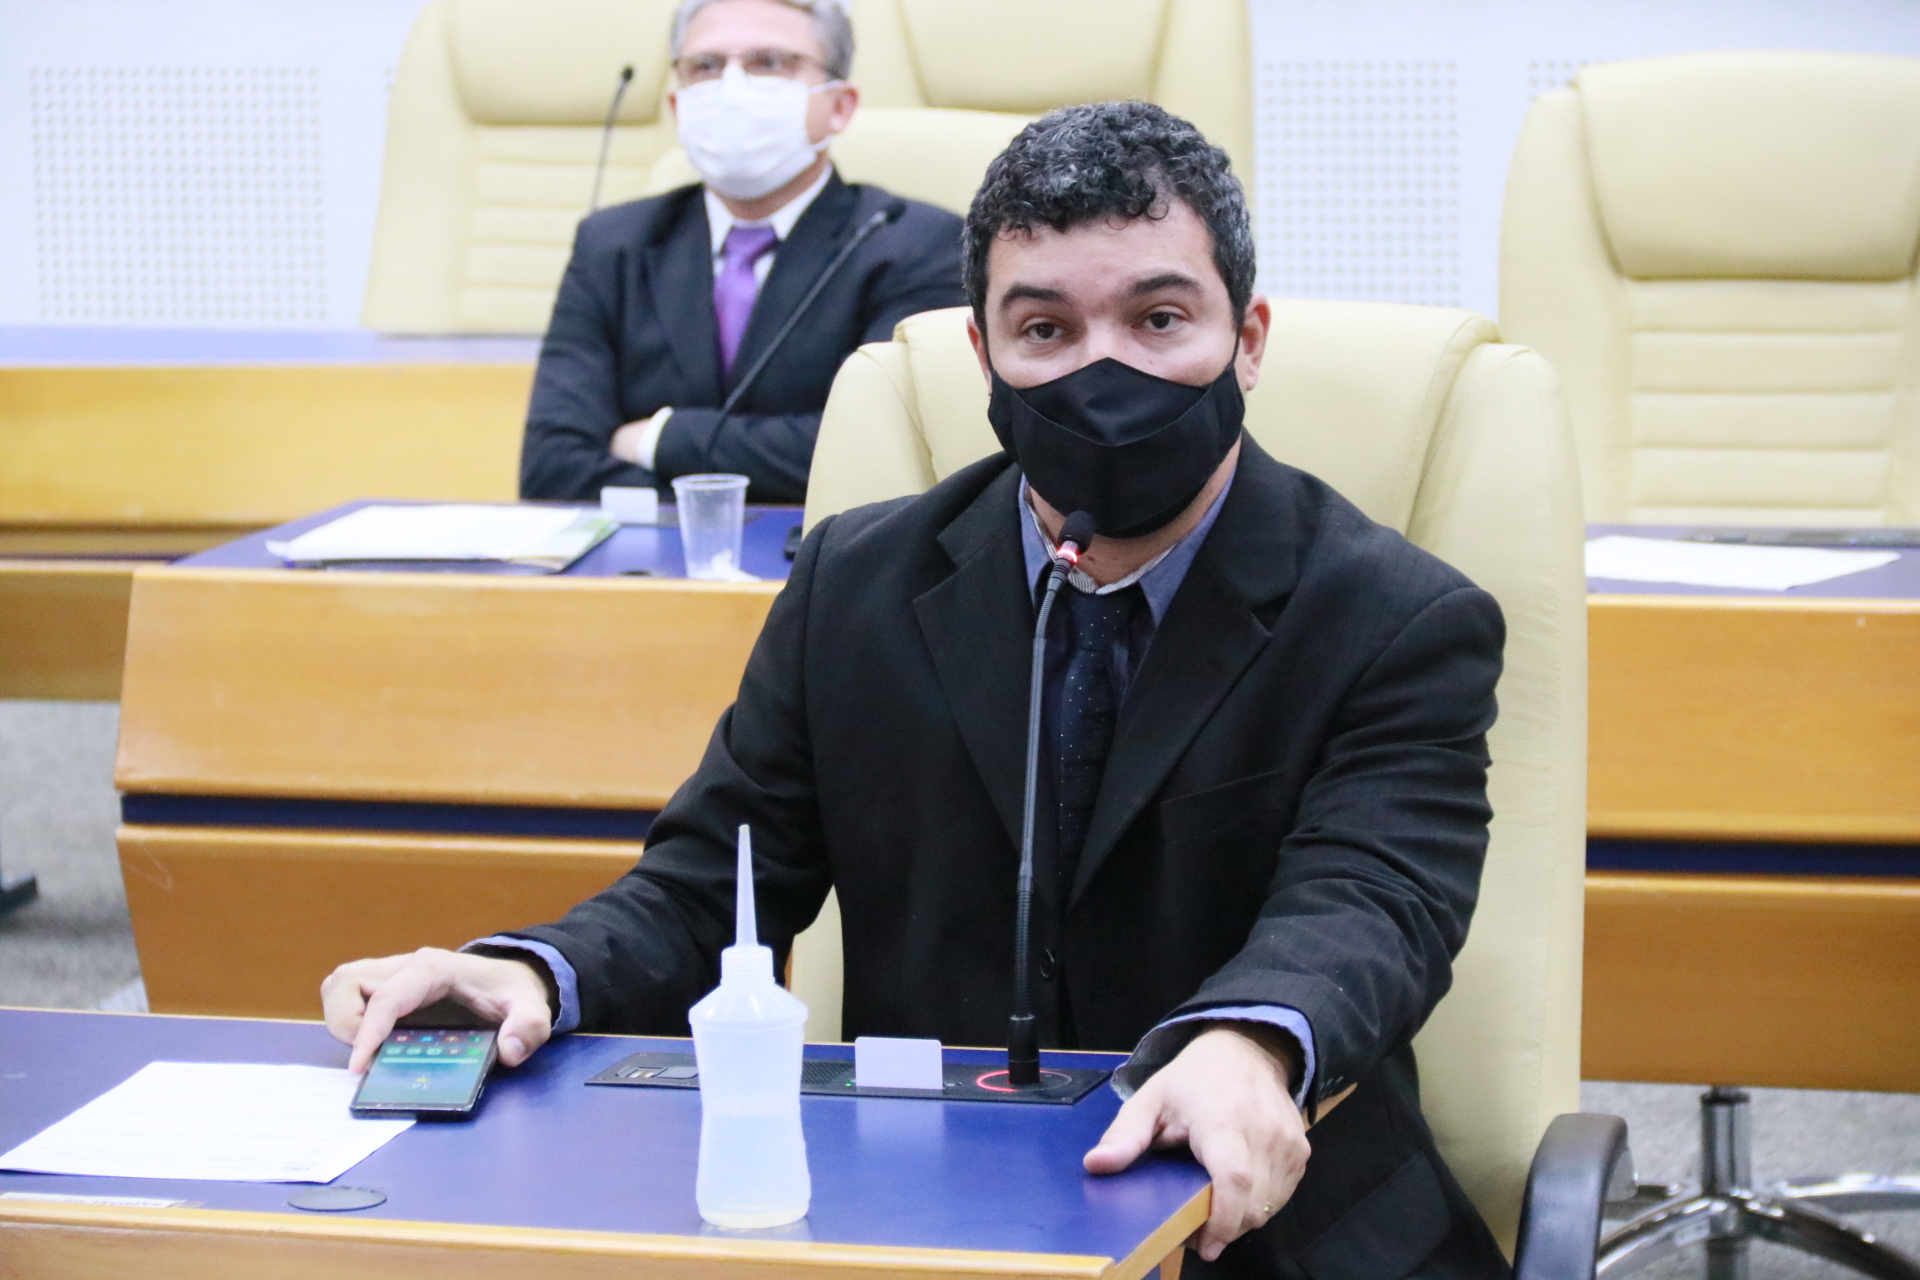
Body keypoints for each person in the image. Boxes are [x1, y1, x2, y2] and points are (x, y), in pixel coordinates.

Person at [328, 102, 1510, 1279]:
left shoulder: (1395, 616)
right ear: (984, 358)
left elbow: (1371, 901)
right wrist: (529, 969)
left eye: (1158, 319)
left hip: (1271, 1235)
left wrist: (1251, 1042)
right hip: (930, 1214)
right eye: (1046, 329)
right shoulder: (854, 582)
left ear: (1246, 340)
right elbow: (707, 890)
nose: (1103, 369)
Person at [519, 0, 965, 504]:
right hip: (645, 549)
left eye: (769, 62)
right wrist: (700, 514)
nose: (732, 89)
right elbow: (551, 468)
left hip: (832, 549)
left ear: (839, 106)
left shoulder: (918, 245)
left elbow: (879, 456)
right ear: (678, 107)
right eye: (705, 66)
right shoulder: (611, 243)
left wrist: (658, 439)